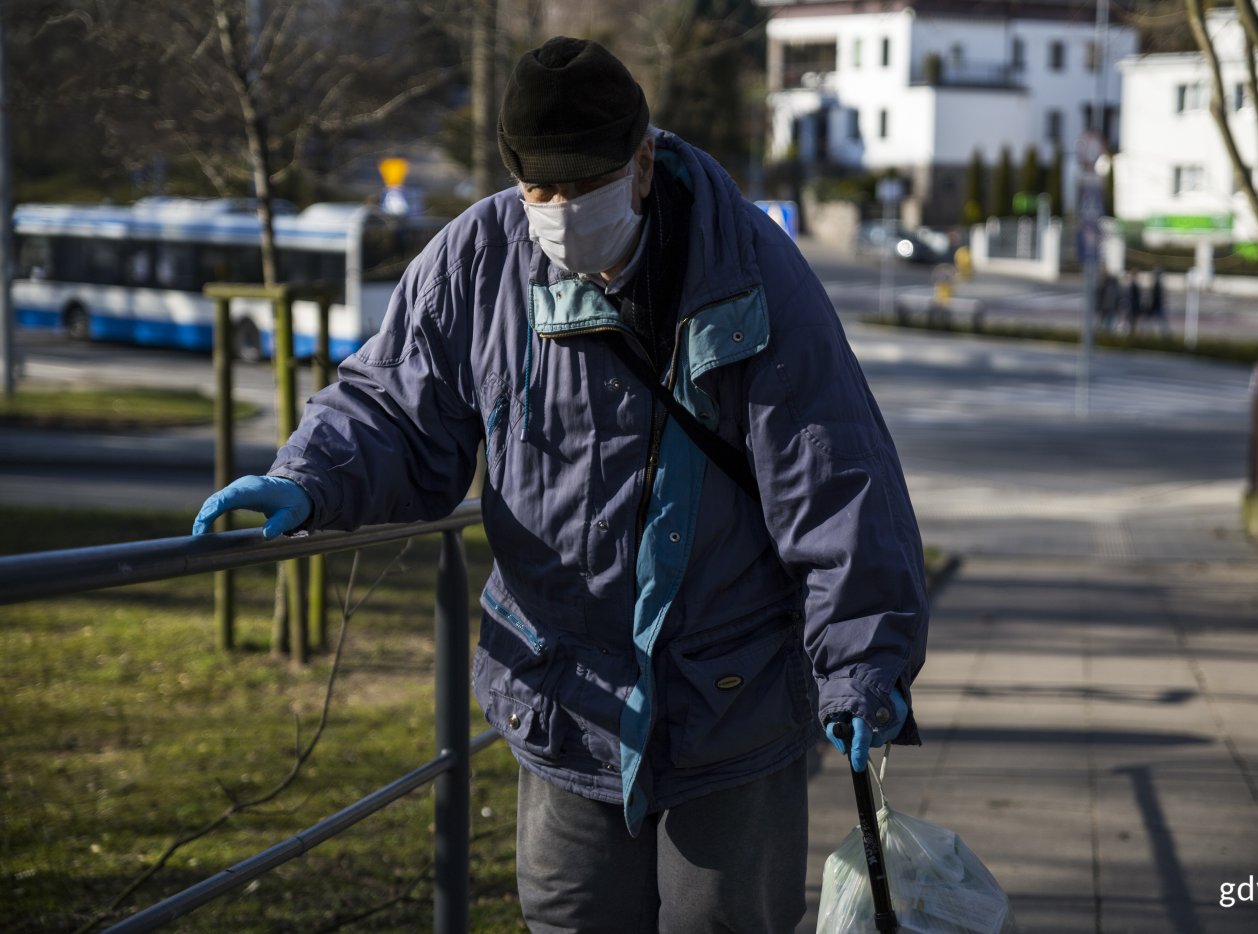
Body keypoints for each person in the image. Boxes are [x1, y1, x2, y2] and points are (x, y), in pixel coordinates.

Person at [192, 37, 928, 933]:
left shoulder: (752, 274)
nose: (562, 210)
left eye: (585, 187)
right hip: (564, 704)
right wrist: (308, 479)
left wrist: (863, 663)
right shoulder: (476, 264)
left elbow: (836, 477)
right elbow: (392, 402)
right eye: (542, 190)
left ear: (644, 161)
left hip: (731, 708)